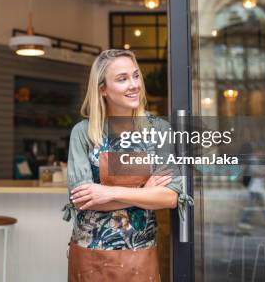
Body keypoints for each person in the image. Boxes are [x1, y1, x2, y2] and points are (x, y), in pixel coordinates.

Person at [62, 49, 191, 282]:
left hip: (139, 252)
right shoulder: (83, 133)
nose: (133, 84)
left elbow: (171, 197)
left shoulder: (158, 129)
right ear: (102, 89)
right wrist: (145, 193)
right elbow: (83, 200)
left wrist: (108, 193)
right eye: (122, 79)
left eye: (135, 76)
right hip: (90, 252)